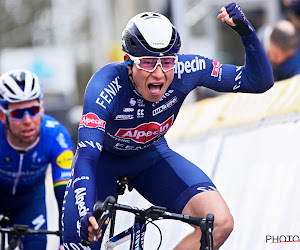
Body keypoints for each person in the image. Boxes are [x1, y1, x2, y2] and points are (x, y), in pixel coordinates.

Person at [62, 2, 274, 249]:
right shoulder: (105, 86)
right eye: (149, 63)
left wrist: (246, 32)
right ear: (128, 61)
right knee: (82, 243)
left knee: (220, 223)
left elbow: (259, 81)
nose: (160, 73)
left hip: (151, 157)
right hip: (102, 162)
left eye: (168, 62)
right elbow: (87, 157)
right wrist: (87, 211)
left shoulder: (188, 70)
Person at [0, 69, 74, 249]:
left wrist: (67, 240)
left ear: (42, 109)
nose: (28, 120)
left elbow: (65, 194)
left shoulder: (56, 136)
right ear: (3, 115)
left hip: (30, 201)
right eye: (18, 113)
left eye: (33, 110)